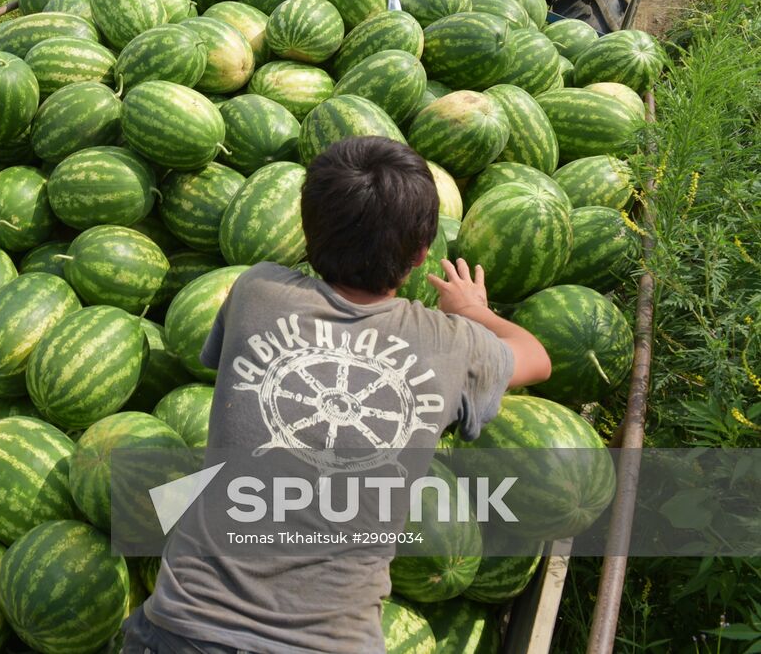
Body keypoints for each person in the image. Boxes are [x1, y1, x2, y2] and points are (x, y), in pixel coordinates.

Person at [126, 136, 552, 654]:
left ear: (305, 232)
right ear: (422, 253)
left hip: (181, 630)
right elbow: (536, 357)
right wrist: (473, 311)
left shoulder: (255, 291)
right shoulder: (452, 345)